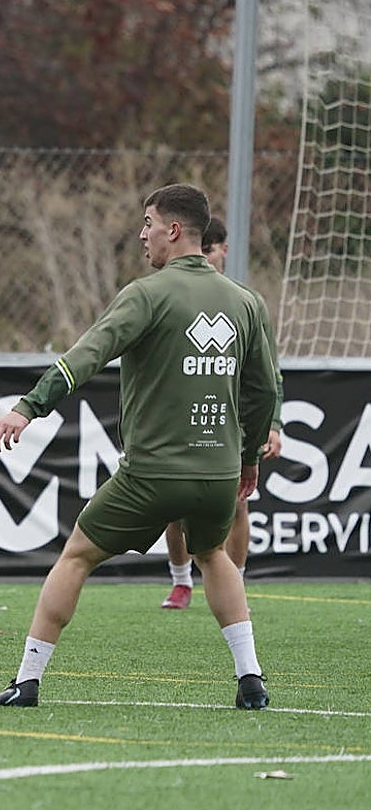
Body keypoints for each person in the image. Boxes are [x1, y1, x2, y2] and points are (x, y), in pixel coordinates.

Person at [0, 183, 277, 709]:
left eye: (148, 223)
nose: (143, 235)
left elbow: (85, 357)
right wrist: (248, 457)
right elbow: (264, 391)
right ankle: (250, 678)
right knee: (213, 554)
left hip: (152, 475)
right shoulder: (246, 303)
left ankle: (27, 681)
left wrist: (27, 408)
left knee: (76, 555)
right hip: (216, 475)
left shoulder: (147, 294)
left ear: (174, 230)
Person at [161, 217, 283, 609]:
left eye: (211, 252)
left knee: (238, 503)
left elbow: (268, 373)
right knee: (174, 504)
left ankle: (236, 583)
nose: (206, 259)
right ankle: (181, 582)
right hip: (182, 418)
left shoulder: (245, 301)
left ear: (223, 251)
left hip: (230, 420)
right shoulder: (170, 296)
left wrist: (273, 423)